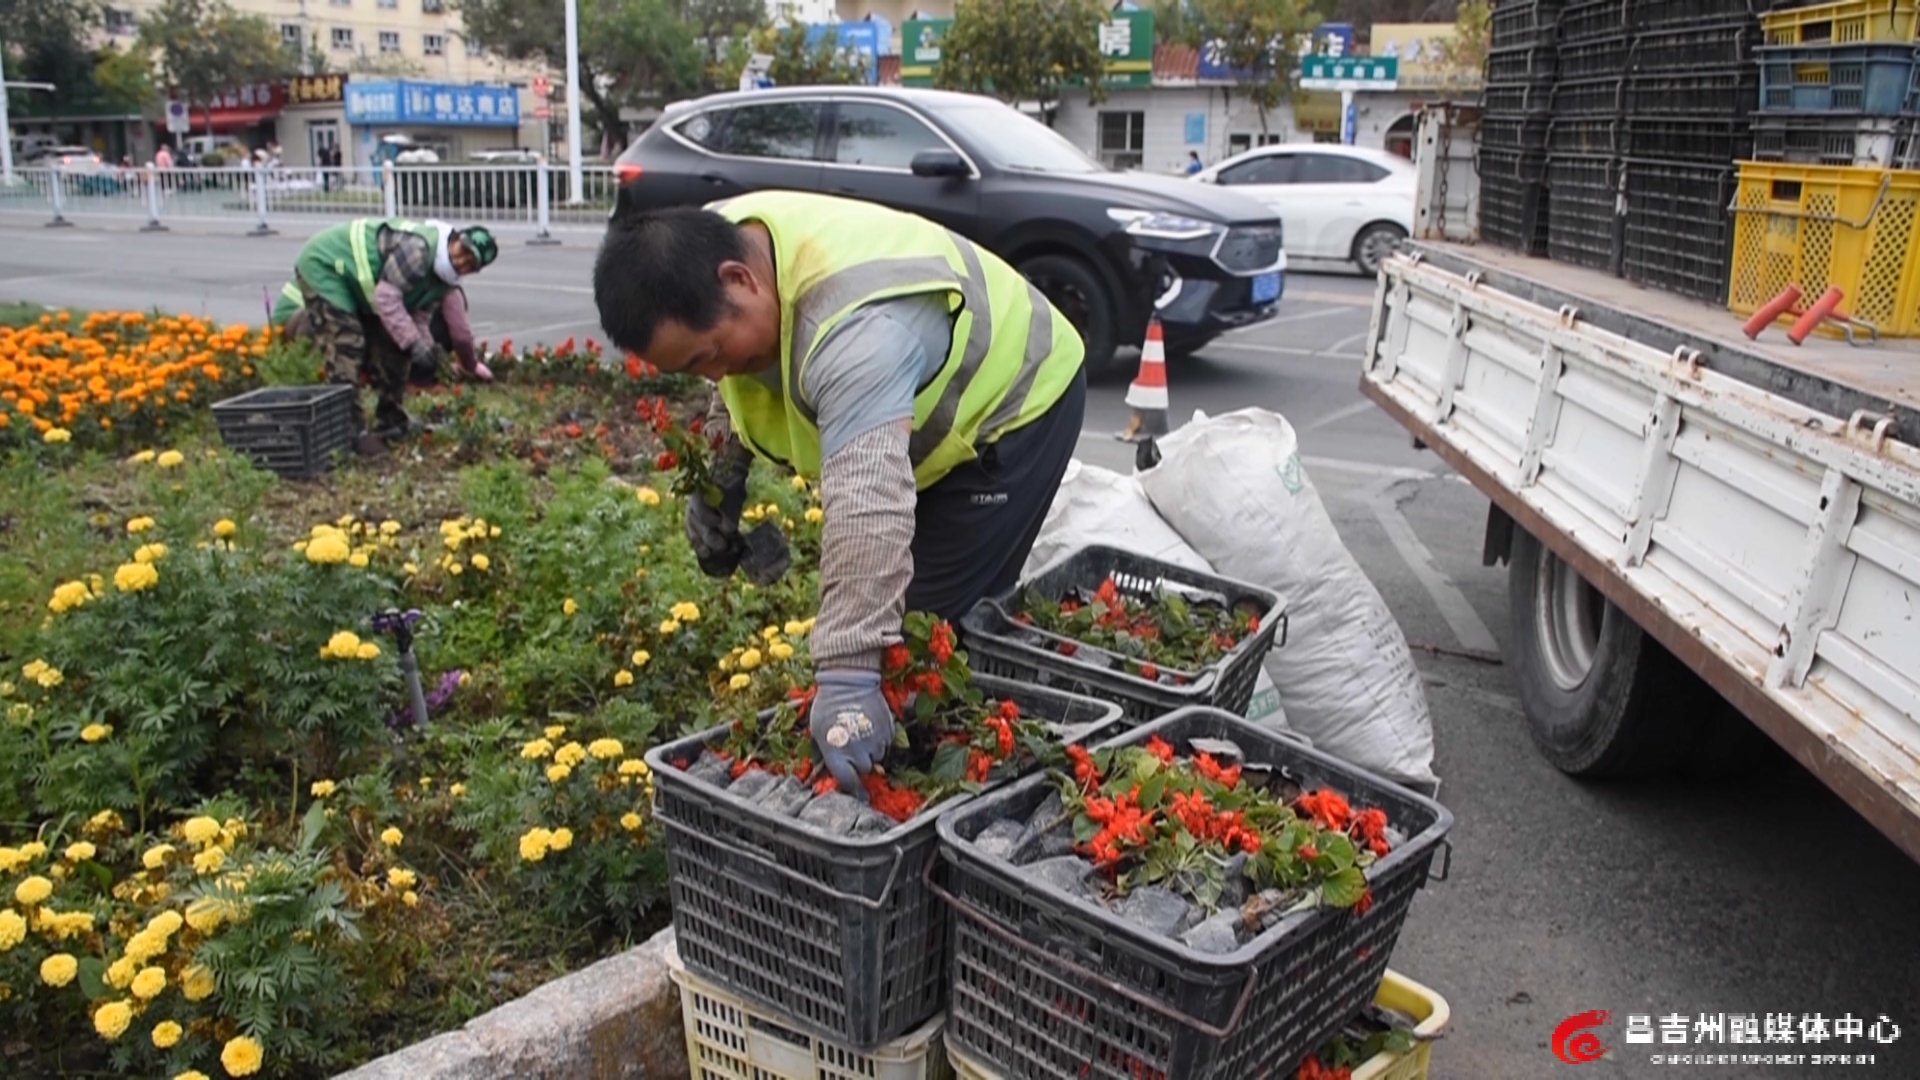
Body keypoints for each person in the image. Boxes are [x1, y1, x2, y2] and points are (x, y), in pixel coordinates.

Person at [593, 192, 1086, 799]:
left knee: (918, 642)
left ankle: (950, 794)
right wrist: (719, 479)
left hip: (1016, 405)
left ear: (739, 280)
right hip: (909, 411)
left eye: (711, 356)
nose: (716, 376)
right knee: (901, 633)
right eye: (695, 369)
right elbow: (735, 385)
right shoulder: (709, 246)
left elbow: (867, 504)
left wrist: (849, 674)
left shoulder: (854, 330)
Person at [270, 217, 498, 455]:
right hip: (327, 266)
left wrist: (425, 348)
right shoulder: (418, 252)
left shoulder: (442, 281)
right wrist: (413, 342)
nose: (461, 262)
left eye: (471, 265)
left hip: (356, 285)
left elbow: (417, 317)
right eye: (463, 252)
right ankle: (350, 431)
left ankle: (391, 419)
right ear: (454, 239)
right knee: (347, 343)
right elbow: (387, 299)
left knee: (397, 344)